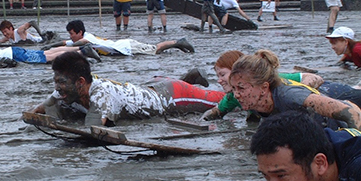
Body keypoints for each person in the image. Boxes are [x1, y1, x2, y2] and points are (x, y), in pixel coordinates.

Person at [30, 52, 225, 126]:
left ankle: (190, 82)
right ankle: (191, 78)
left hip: (171, 98)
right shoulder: (66, 90)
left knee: (225, 99)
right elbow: (36, 112)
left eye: (61, 83)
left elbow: (94, 127)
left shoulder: (101, 93)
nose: (57, 88)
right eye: (56, 82)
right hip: (150, 88)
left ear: (80, 82)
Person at [229, 49, 361, 130]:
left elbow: (350, 112)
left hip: (346, 98)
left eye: (241, 88)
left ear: (264, 87)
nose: (236, 95)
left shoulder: (290, 96)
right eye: (233, 88)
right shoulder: (254, 102)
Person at [201, 50, 325, 120]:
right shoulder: (232, 97)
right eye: (217, 76)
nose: (219, 81)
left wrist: (299, 96)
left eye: (222, 75)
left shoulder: (276, 81)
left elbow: (315, 78)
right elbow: (214, 113)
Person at [0, 29, 101, 66]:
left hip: (12, 54)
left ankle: (81, 52)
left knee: (46, 58)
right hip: (13, 52)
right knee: (46, 52)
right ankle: (81, 51)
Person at [44, 20, 195, 57]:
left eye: (72, 33)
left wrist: (65, 49)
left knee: (155, 49)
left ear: (80, 32)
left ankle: (178, 42)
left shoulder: (87, 38)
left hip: (127, 47)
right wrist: (48, 47)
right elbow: (65, 42)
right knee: (154, 50)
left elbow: (78, 43)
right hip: (122, 48)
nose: (70, 37)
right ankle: (176, 44)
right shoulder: (81, 38)